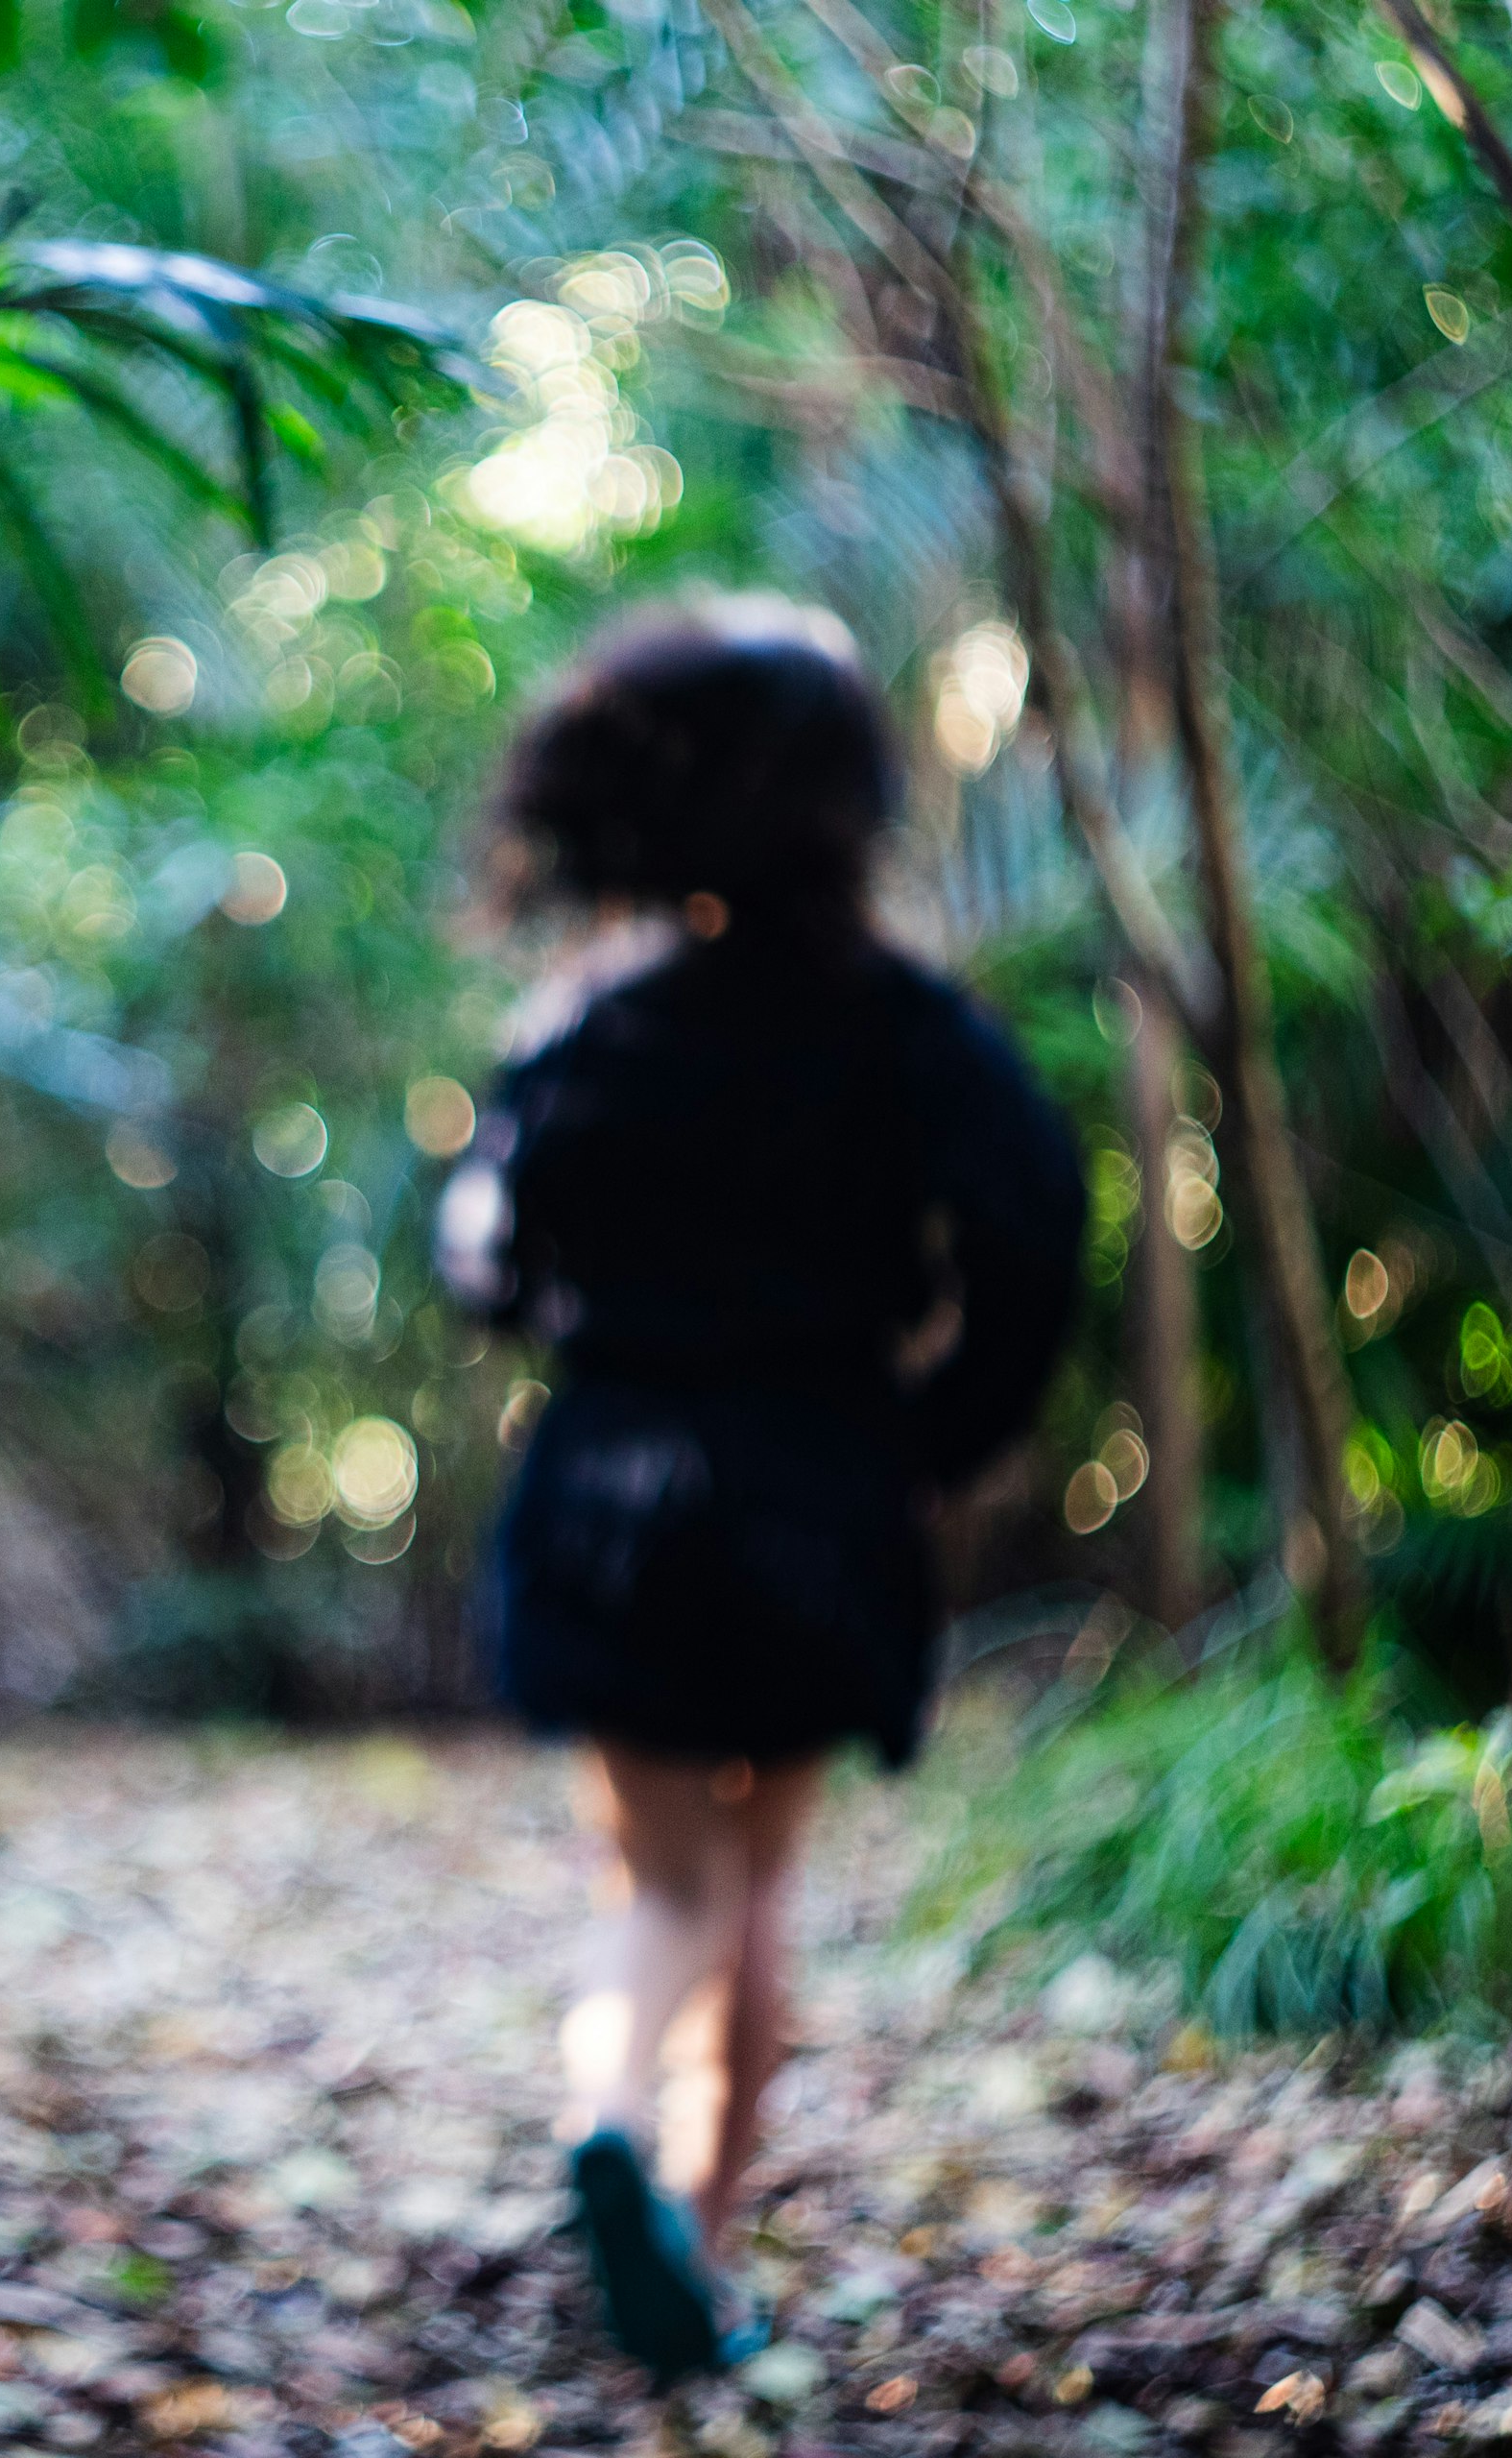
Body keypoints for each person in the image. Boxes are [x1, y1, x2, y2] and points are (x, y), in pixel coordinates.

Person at [438, 599, 1083, 2383]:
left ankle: (611, 2126)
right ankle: (702, 2263)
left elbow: (486, 1249)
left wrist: (589, 1303)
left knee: (659, 1884)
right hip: (817, 1491)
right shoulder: (906, 1027)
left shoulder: (591, 1021)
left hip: (610, 1493)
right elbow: (1034, 1225)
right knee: (759, 1885)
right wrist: (939, 1434)